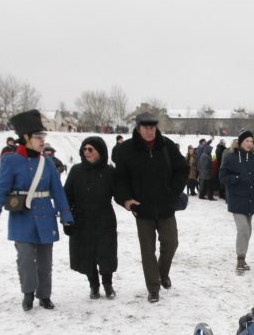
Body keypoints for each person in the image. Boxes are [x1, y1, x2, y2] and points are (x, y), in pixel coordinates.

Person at [0, 110, 74, 311]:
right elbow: (1, 188)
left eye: (43, 136)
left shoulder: (48, 164)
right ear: (25, 138)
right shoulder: (11, 161)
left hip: (45, 216)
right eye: (37, 136)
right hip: (21, 217)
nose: (42, 140)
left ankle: (45, 295)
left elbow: (58, 191)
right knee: (25, 259)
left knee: (45, 261)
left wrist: (66, 215)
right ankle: (28, 293)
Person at [113, 112, 188, 303]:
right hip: (142, 209)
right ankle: (153, 287)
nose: (150, 131)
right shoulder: (126, 149)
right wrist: (126, 200)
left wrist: (173, 192)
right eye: (146, 128)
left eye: (152, 127)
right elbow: (120, 179)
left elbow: (182, 169)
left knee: (171, 243)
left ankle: (162, 273)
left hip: (165, 207)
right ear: (138, 128)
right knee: (148, 250)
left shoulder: (167, 146)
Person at [64, 136, 118, 300]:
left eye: (90, 149)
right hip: (82, 220)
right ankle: (93, 285)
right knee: (86, 255)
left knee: (106, 253)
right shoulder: (76, 171)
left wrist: (131, 203)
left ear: (100, 152)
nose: (86, 152)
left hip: (104, 219)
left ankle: (108, 285)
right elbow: (66, 196)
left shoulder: (110, 172)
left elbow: (121, 193)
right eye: (84, 149)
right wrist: (67, 218)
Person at [219, 129, 254, 274]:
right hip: (237, 199)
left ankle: (243, 257)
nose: (249, 144)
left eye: (251, 141)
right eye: (246, 141)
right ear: (240, 142)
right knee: (243, 229)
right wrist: (236, 179)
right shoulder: (231, 157)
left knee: (248, 231)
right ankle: (240, 259)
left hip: (250, 199)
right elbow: (222, 176)